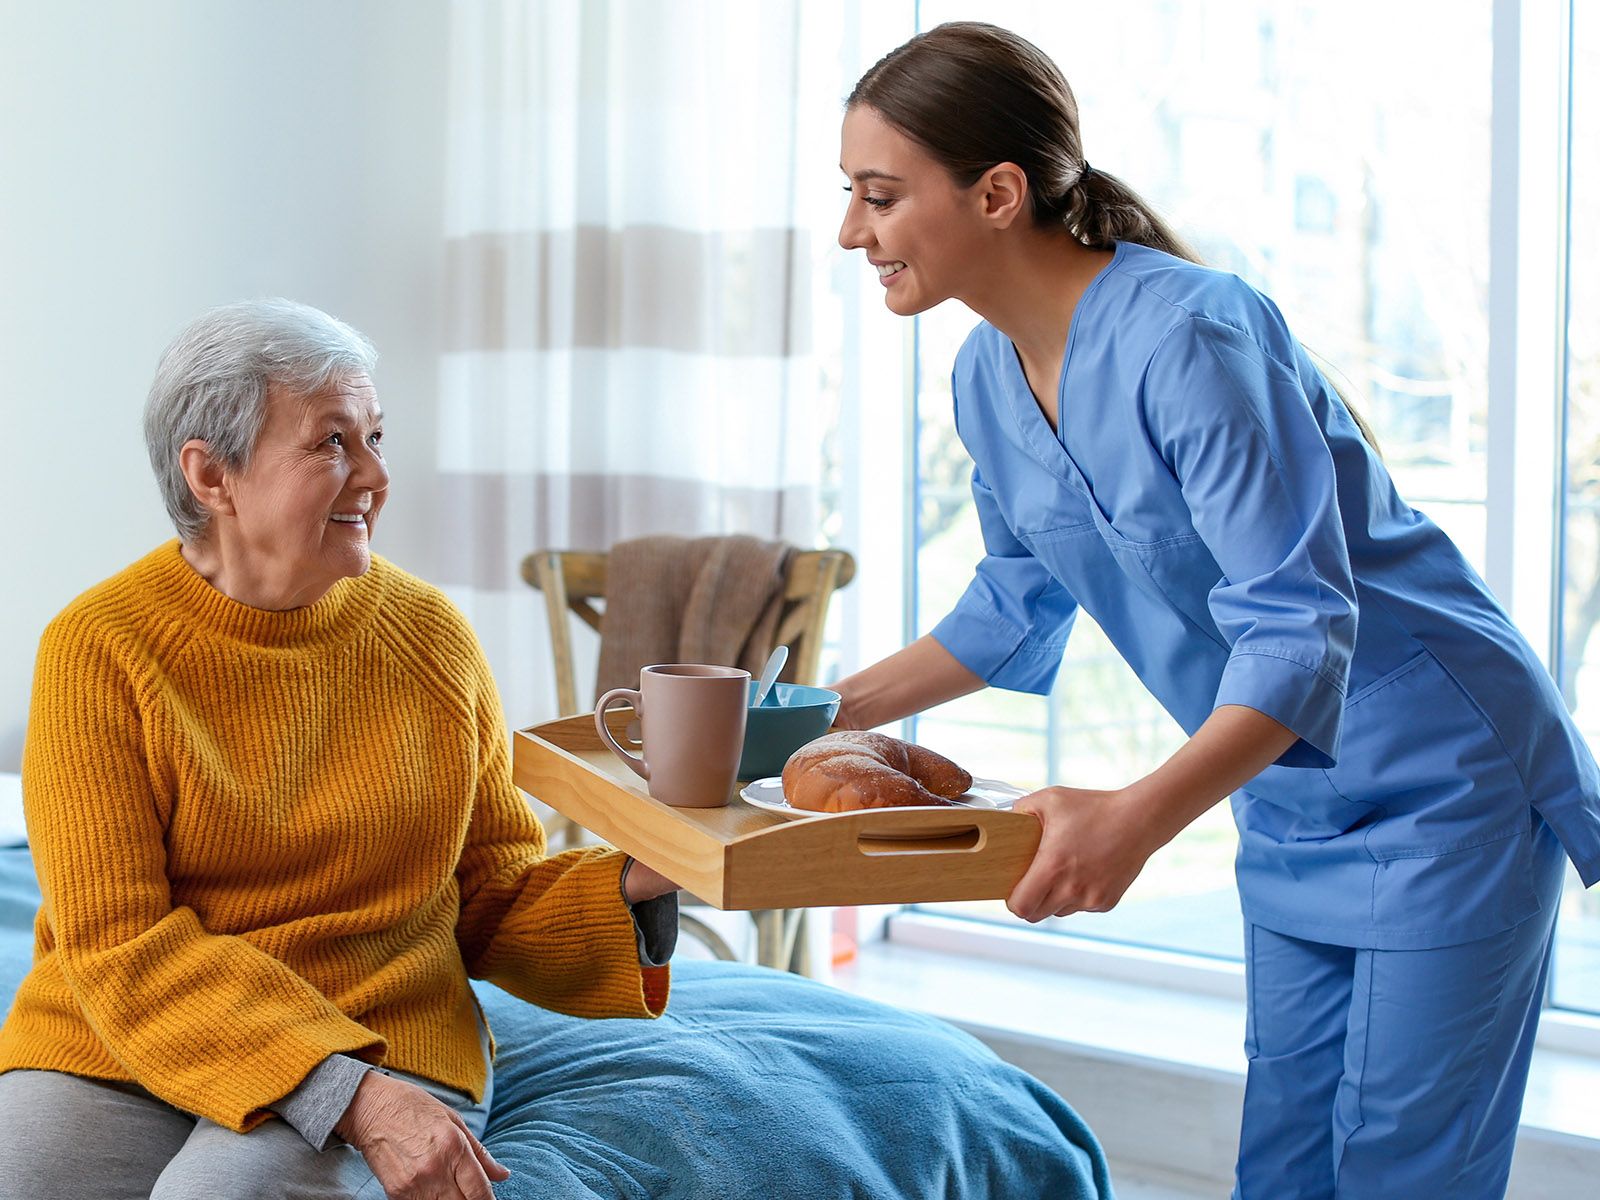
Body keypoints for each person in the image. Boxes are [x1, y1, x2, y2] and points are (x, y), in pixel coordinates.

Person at [831, 21, 1600, 1200]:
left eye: (878, 197)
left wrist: (1134, 818)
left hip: (1445, 780)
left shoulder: (1188, 331)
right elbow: (1008, 608)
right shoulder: (984, 376)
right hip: (1287, 793)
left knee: (1402, 1170)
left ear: (995, 192)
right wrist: (800, 717)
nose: (852, 232)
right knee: (1284, 1161)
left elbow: (1302, 629)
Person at [0, 299, 680, 1200]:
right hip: (123, 1034)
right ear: (212, 476)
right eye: (331, 444)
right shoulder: (100, 648)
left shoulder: (429, 637)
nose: (374, 474)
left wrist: (646, 878)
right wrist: (343, 1094)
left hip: (383, 1031)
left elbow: (486, 892)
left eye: (376, 436)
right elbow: (119, 940)